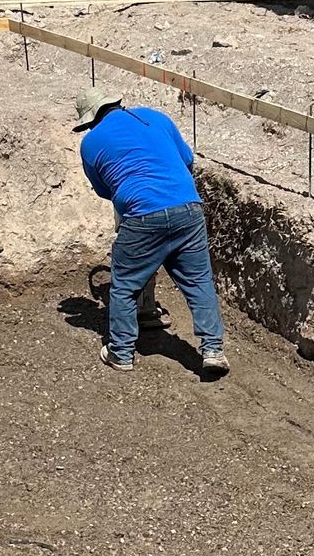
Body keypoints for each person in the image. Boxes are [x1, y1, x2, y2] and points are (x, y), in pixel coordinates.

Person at [74, 91, 228, 380]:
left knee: (124, 285)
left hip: (141, 215)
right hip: (188, 207)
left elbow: (104, 190)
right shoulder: (155, 118)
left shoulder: (91, 142)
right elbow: (187, 160)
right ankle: (213, 350)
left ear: (91, 120)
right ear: (117, 104)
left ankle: (121, 352)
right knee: (198, 282)